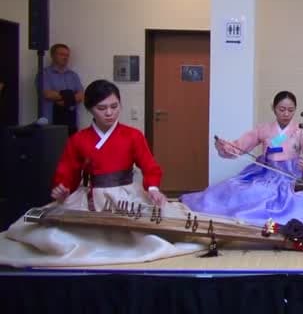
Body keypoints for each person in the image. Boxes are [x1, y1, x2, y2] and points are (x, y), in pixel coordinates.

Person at [0, 80, 203, 267]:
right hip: (91, 195)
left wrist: (152, 187)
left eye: (114, 107)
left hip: (125, 194)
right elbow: (68, 171)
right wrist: (62, 188)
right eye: (102, 108)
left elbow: (150, 166)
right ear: (90, 109)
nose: (109, 113)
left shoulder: (132, 135)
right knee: (59, 232)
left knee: (153, 228)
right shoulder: (79, 139)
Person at [181, 91, 303, 226]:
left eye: (290, 110)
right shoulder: (263, 129)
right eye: (281, 109)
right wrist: (225, 147)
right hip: (265, 172)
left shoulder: (300, 131)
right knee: (242, 192)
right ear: (274, 108)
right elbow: (239, 147)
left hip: (292, 174)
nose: (286, 114)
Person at [37, 43, 84, 135]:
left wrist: (62, 99)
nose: (65, 57)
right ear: (52, 56)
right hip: (51, 123)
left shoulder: (73, 75)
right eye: (61, 54)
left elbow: (81, 95)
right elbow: (47, 94)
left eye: (67, 55)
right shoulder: (44, 74)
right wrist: (70, 97)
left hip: (70, 123)